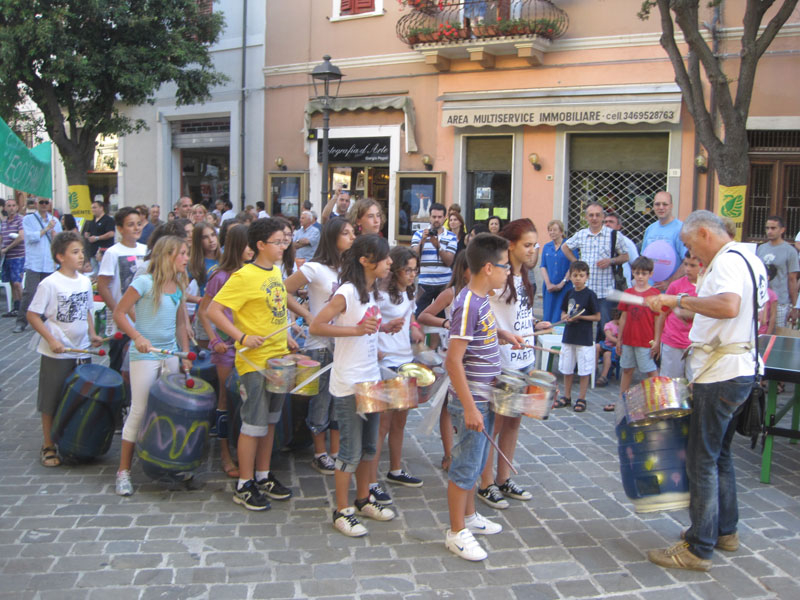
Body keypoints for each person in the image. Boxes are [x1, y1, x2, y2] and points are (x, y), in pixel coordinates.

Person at [645, 210, 767, 572]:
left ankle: (698, 547)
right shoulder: (749, 257)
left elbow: (729, 307)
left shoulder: (727, 261)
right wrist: (689, 311)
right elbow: (734, 311)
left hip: (721, 376)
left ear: (703, 233)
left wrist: (676, 302)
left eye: (689, 244)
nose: (691, 254)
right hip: (739, 369)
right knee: (720, 455)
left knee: (701, 458)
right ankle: (724, 531)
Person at [207, 218, 303, 511]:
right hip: (254, 362)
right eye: (277, 242)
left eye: (284, 241)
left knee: (271, 422)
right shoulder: (243, 276)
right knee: (253, 424)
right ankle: (244, 483)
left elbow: (275, 309)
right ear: (260, 245)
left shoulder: (275, 272)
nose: (283, 246)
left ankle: (263, 474)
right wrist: (241, 336)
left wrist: (286, 334)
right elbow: (214, 310)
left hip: (278, 358)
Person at [309, 234, 397, 537]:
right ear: (365, 261)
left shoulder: (370, 292)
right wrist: (357, 329)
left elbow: (365, 328)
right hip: (349, 384)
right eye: (385, 258)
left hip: (371, 379)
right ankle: (342, 510)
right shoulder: (346, 292)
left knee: (370, 448)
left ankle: (363, 500)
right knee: (349, 451)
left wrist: (384, 327)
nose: (389, 263)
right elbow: (317, 325)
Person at [444, 233, 516, 561]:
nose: (509, 272)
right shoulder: (468, 304)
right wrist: (470, 407)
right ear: (488, 267)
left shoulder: (482, 299)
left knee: (475, 463)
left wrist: (500, 334)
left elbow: (477, 334)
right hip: (472, 398)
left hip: (484, 396)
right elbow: (453, 361)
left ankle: (470, 516)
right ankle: (456, 531)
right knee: (466, 465)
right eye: (505, 266)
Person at [111, 236, 192, 496]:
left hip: (170, 353)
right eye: (182, 253)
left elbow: (181, 322)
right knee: (140, 409)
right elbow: (119, 312)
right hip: (145, 355)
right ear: (167, 255)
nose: (186, 258)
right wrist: (137, 337)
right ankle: (123, 471)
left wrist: (185, 352)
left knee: (171, 409)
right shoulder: (144, 282)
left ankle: (165, 461)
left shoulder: (178, 284)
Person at [479, 219, 550, 510]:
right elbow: (478, 311)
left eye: (535, 245)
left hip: (524, 359)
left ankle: (504, 477)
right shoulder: (497, 276)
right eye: (528, 245)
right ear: (511, 246)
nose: (533, 250)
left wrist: (534, 324)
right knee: (493, 424)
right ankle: (485, 483)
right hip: (501, 361)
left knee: (514, 421)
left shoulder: (525, 277)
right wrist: (500, 334)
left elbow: (517, 315)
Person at [283, 218, 355, 475]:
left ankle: (334, 451)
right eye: (346, 233)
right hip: (320, 342)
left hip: (344, 342)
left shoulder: (349, 268)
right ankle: (319, 452)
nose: (352, 237)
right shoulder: (314, 268)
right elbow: (284, 290)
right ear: (333, 237)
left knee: (340, 396)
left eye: (352, 233)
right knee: (321, 398)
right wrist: (308, 315)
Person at [27, 231, 102, 467]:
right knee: (51, 398)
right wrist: (51, 339)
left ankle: (73, 441)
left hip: (81, 352)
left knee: (79, 396)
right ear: (60, 256)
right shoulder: (49, 283)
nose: (81, 256)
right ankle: (48, 445)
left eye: (82, 251)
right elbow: (33, 315)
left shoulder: (84, 281)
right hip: (57, 353)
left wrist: (92, 333)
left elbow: (88, 309)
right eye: (75, 252)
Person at [198, 224, 253, 478]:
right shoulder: (220, 276)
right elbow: (204, 310)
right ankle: (224, 453)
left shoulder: (253, 273)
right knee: (225, 399)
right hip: (227, 348)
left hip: (249, 348)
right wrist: (213, 339)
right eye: (248, 245)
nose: (252, 249)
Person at [372, 246, 425, 502]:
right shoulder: (380, 294)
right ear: (395, 270)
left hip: (405, 359)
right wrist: (375, 348)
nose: (412, 275)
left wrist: (414, 326)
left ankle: (395, 469)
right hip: (386, 362)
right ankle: (370, 480)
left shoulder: (409, 291)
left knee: (400, 421)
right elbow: (370, 321)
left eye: (415, 270)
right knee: (382, 424)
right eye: (408, 270)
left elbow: (409, 313)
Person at [417, 252, 471, 472]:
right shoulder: (451, 293)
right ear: (463, 269)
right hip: (453, 356)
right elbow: (423, 316)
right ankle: (449, 453)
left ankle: (467, 452)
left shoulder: (486, 294)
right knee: (448, 407)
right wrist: (446, 322)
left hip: (475, 358)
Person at [561, 202, 628, 340]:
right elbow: (565, 247)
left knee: (604, 327)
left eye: (598, 215)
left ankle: (602, 356)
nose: (594, 218)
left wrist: (611, 261)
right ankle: (581, 355)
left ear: (603, 216)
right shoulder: (581, 235)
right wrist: (576, 263)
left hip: (605, 290)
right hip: (584, 289)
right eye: (591, 215)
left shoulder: (613, 235)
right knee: (579, 323)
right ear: (586, 217)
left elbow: (626, 256)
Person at [96, 207, 146, 374]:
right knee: (119, 367)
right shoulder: (112, 253)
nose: (136, 228)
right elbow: (103, 286)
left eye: (139, 224)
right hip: (122, 324)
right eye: (131, 225)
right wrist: (119, 311)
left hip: (142, 318)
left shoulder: (146, 251)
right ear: (120, 229)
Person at [612, 256, 660, 412]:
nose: (640, 276)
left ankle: (655, 399)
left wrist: (657, 340)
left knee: (649, 370)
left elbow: (659, 319)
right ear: (633, 272)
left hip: (645, 340)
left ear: (650, 274)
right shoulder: (628, 292)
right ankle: (622, 398)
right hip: (628, 339)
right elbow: (623, 316)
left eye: (644, 273)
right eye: (637, 273)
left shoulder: (655, 294)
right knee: (627, 369)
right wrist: (619, 339)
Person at [552, 260, 601, 413]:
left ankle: (582, 398)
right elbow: (563, 312)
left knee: (584, 369)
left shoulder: (590, 295)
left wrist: (580, 318)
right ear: (571, 277)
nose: (578, 278)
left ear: (587, 277)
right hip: (569, 336)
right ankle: (566, 396)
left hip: (584, 337)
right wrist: (567, 317)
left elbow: (597, 317)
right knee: (567, 368)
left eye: (581, 275)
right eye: (575, 275)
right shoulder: (569, 293)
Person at [14, 197, 63, 333]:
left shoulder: (55, 221)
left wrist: (54, 235)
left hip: (49, 263)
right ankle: (21, 321)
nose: (43, 205)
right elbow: (30, 238)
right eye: (41, 202)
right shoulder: (28, 220)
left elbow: (59, 242)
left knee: (50, 294)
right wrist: (47, 228)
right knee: (29, 292)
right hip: (34, 262)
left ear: (50, 204)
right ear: (36, 204)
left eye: (46, 202)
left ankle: (46, 320)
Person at [657, 253, 702, 379]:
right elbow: (663, 313)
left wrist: (686, 313)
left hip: (696, 343)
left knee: (694, 382)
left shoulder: (707, 287)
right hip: (673, 341)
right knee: (670, 383)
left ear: (702, 266)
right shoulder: (675, 286)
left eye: (693, 265)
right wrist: (657, 340)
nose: (687, 269)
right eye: (686, 264)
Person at [411, 202, 458, 317]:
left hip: (444, 284)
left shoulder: (451, 237)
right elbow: (413, 256)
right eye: (434, 217)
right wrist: (423, 241)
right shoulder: (418, 235)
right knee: (419, 316)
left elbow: (449, 261)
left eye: (439, 217)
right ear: (429, 217)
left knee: (442, 318)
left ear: (444, 218)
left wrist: (438, 246)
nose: (436, 220)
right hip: (424, 283)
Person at [756, 215, 799, 328]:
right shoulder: (761, 249)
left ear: (782, 230)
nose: (769, 231)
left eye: (773, 228)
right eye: (767, 228)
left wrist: (795, 306)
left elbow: (792, 279)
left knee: (776, 335)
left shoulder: (790, 251)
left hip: (781, 301)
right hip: (761, 300)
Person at [641, 191, 687, 291]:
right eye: (657, 204)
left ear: (671, 206)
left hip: (672, 292)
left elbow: (687, 261)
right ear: (653, 206)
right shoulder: (650, 229)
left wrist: (669, 282)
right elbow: (643, 259)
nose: (661, 207)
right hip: (649, 290)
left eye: (665, 204)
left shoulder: (681, 229)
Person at [187, 223, 221, 347]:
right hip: (205, 317)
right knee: (206, 358)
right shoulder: (194, 263)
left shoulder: (224, 258)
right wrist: (199, 300)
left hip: (226, 314)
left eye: (213, 235)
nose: (211, 240)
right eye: (205, 237)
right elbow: (178, 291)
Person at [540, 219, 572, 324]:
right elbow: (543, 266)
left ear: (561, 231)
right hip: (549, 287)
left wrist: (562, 283)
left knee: (561, 313)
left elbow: (572, 266)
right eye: (550, 230)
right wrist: (548, 283)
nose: (551, 232)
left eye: (554, 230)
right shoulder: (547, 247)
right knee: (548, 313)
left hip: (565, 286)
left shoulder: (569, 246)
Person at [1, 195, 25, 317]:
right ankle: (16, 307)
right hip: (6, 257)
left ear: (17, 207)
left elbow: (21, 237)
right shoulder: (4, 222)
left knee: (17, 282)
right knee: (11, 282)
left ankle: (23, 308)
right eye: (9, 206)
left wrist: (6, 248)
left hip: (18, 256)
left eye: (13, 205)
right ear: (5, 207)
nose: (11, 208)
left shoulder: (20, 220)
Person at [603, 211, 639, 288]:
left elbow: (637, 265)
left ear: (619, 226)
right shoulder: (599, 241)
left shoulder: (626, 243)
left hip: (621, 287)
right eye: (605, 222)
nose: (607, 224)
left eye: (611, 222)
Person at [82, 200, 115, 275]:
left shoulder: (108, 220)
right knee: (95, 274)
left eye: (94, 207)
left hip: (104, 252)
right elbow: (89, 232)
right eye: (91, 208)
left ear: (101, 208)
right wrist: (87, 235)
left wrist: (97, 238)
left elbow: (111, 233)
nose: (92, 210)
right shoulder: (92, 221)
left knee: (103, 273)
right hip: (93, 252)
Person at [596, 310, 621, 387]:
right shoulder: (609, 325)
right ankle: (594, 368)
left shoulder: (624, 326)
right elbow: (609, 337)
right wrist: (618, 341)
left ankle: (603, 376)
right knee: (596, 346)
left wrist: (619, 343)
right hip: (606, 345)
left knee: (607, 354)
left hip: (614, 348)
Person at [758, 264, 778, 336]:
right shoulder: (753, 290)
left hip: (763, 331)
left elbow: (773, 316)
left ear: (768, 277)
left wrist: (767, 335)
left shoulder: (772, 295)